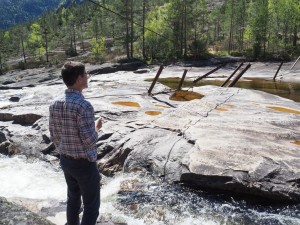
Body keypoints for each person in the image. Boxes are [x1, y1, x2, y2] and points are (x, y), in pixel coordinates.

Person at [49, 61, 102, 225]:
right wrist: (97, 128)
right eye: (86, 74)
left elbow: (53, 134)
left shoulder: (54, 103)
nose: (87, 77)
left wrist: (64, 149)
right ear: (79, 79)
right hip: (84, 164)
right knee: (91, 206)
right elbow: (89, 141)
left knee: (72, 199)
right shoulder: (83, 105)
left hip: (65, 160)